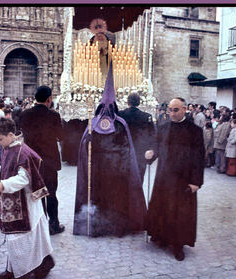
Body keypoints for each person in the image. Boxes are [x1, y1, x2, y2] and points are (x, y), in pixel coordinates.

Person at [73, 63, 146, 237]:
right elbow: (85, 146)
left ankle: (116, 227)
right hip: (103, 170)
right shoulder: (94, 123)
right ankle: (97, 227)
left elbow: (126, 146)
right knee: (103, 199)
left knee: (115, 200)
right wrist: (89, 142)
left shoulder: (118, 124)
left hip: (115, 171)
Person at [0, 117, 54, 279]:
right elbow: (10, 167)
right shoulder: (9, 148)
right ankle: (14, 267)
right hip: (13, 200)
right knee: (13, 236)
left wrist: (4, 185)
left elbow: (24, 178)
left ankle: (44, 264)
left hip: (26, 203)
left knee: (25, 236)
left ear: (11, 135)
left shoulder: (22, 152)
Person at [145, 97, 205, 261]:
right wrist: (150, 154)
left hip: (183, 180)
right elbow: (156, 148)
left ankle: (178, 246)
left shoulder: (195, 131)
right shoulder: (163, 128)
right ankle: (161, 237)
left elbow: (199, 158)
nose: (172, 113)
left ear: (185, 109)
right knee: (162, 207)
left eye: (175, 110)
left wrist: (196, 182)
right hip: (163, 177)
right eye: (170, 110)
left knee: (180, 213)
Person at [19, 86, 65, 235]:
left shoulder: (25, 114)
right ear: (49, 99)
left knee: (37, 194)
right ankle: (54, 224)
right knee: (51, 193)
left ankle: (39, 224)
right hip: (50, 161)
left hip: (32, 160)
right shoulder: (54, 116)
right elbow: (61, 136)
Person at [118, 92, 156, 183]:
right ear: (139, 102)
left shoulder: (120, 115)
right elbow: (153, 135)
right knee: (138, 180)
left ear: (127, 102)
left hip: (124, 152)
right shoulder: (147, 117)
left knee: (123, 182)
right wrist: (151, 149)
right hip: (140, 153)